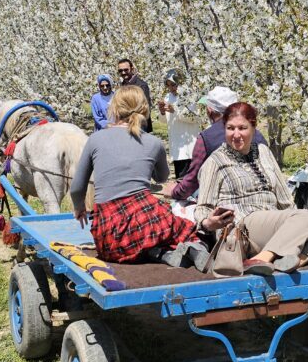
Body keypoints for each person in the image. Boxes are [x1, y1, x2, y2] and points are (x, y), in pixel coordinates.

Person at [68, 85, 210, 270]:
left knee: (121, 244)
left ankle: (158, 253)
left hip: (110, 231)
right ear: (144, 109)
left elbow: (77, 188)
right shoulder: (153, 142)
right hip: (147, 217)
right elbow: (161, 177)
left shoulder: (96, 139)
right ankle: (192, 246)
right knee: (178, 228)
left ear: (115, 108)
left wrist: (79, 208)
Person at [193, 102, 308, 276]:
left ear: (253, 128)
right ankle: (260, 259)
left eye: (242, 128)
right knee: (305, 216)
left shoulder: (263, 152)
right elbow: (202, 208)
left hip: (274, 223)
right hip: (243, 227)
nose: (236, 134)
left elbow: (285, 199)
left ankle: (295, 260)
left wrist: (298, 226)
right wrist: (208, 223)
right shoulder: (215, 162)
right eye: (230, 128)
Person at [167, 86, 265, 203]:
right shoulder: (257, 135)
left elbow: (192, 181)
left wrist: (174, 191)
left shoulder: (207, 138)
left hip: (225, 201)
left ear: (209, 110)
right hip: (261, 195)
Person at [157, 69, 200, 179]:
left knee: (190, 180)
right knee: (180, 179)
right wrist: (162, 111)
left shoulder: (190, 96)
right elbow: (163, 121)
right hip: (176, 146)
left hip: (189, 146)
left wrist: (175, 110)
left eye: (174, 85)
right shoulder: (168, 97)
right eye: (169, 86)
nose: (171, 88)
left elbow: (194, 118)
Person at [116, 58, 152, 133]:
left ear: (132, 69)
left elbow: (145, 107)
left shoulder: (141, 85)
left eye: (126, 70)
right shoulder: (123, 84)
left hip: (139, 125)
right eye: (120, 71)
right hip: (125, 124)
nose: (123, 72)